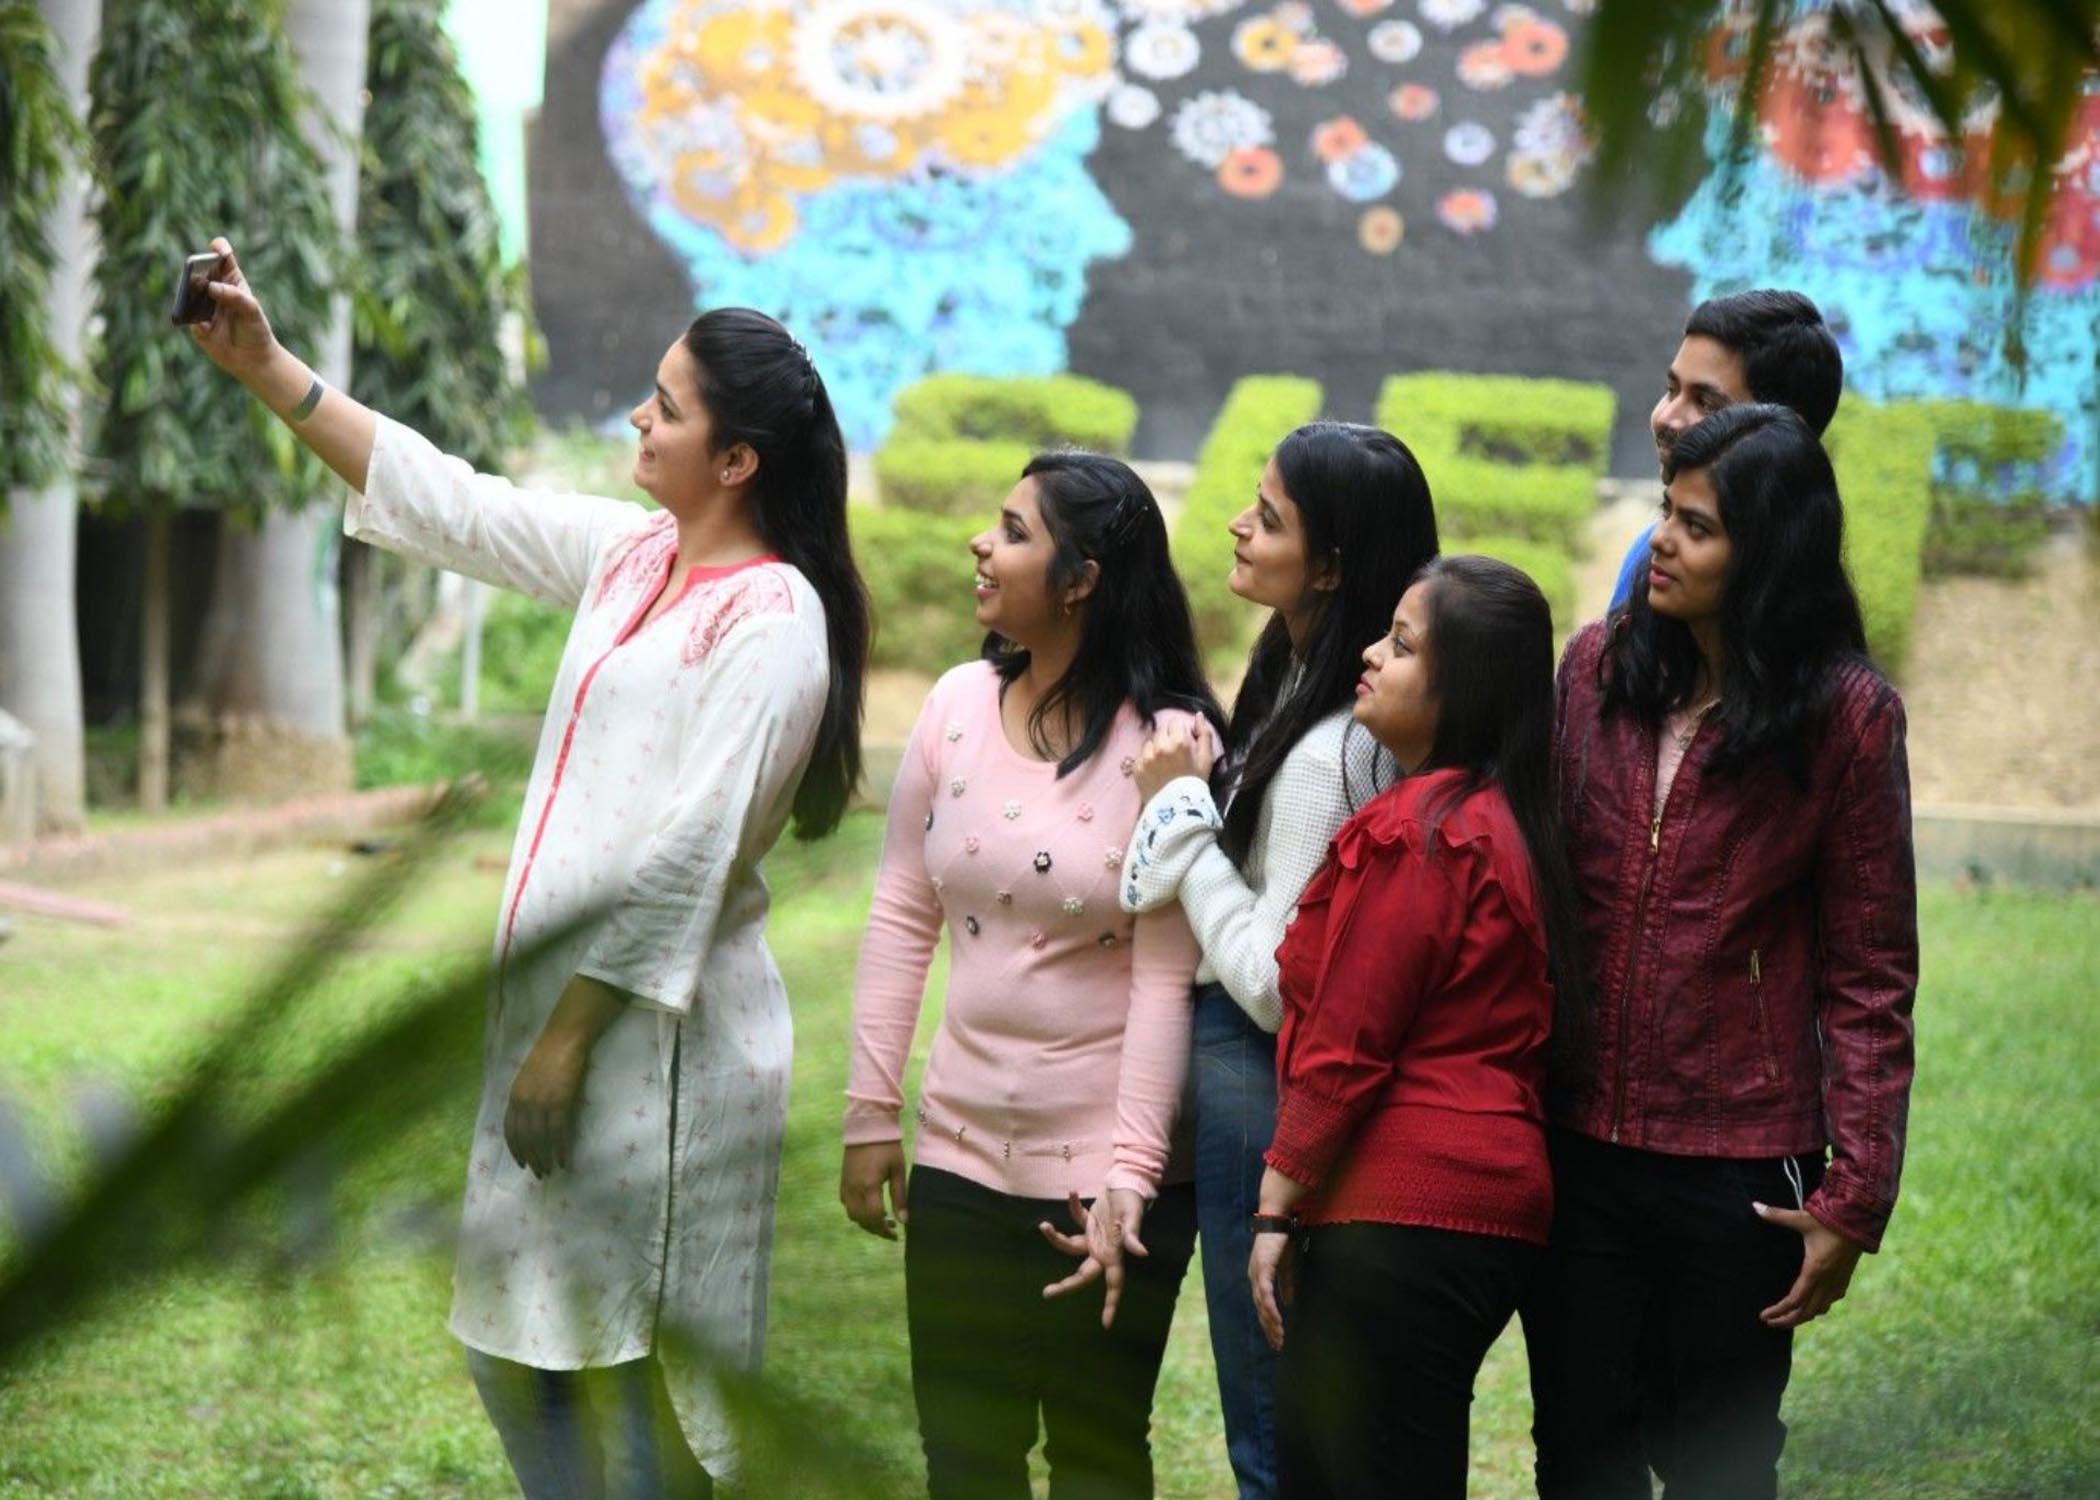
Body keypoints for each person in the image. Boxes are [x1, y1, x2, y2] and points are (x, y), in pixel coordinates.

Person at [186, 237, 870, 1497]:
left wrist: (568, 1041)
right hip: (559, 1028)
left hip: (653, 1047)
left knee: (632, 1368)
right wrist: (265, 365)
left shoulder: (776, 622)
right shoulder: (631, 558)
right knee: (523, 1350)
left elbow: (688, 852)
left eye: (666, 405)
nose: (636, 414)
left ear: (736, 461)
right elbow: (456, 504)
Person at [1526, 403, 1918, 1499]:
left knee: (1721, 1466)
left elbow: (1872, 969)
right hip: (1578, 1144)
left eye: (1696, 527)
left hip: (1741, 1167)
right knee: (1580, 1455)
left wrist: (1857, 1193)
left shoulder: (1848, 718)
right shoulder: (1596, 669)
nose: (1662, 542)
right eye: (1665, 513)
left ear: (1769, 552)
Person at [839, 452, 1222, 1499]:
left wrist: (1129, 1182)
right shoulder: (955, 706)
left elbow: (1163, 979)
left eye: (1012, 530)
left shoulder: (1173, 750)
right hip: (959, 1158)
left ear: (1081, 576)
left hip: (1105, 1175)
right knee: (965, 1457)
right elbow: (901, 911)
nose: (981, 542)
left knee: (1096, 1458)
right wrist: (872, 1115)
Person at [1118, 421, 1437, 1500]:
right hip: (1273, 1088)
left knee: (1271, 1428)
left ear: (1335, 565)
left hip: (1262, 1079)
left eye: (1271, 517)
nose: (1237, 524)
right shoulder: (1300, 682)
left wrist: (1180, 821)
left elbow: (1270, 982)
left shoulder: (1327, 752)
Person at [1246, 555, 1587, 1500]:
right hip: (1485, 1204)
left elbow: (1348, 1046)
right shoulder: (1503, 821)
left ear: (1459, 687)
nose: (1370, 655)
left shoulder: (1420, 834)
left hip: (1405, 1207)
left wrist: (1276, 1206)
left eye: (1401, 645)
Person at [1608, 290, 1844, 610]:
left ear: (1783, 435)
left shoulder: (1818, 624)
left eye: (1705, 403)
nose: (1664, 418)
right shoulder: (1649, 559)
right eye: (1671, 390)